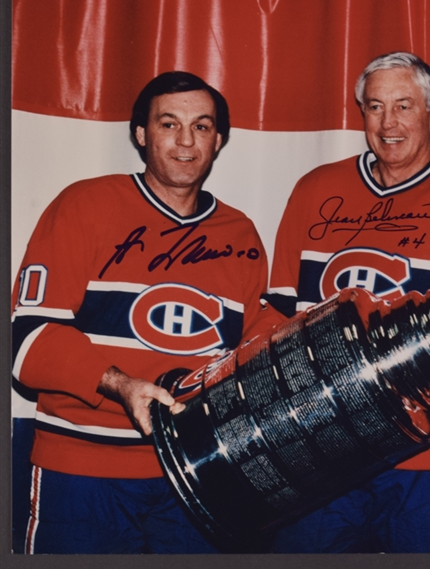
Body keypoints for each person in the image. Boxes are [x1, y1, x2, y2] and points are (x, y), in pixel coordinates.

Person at [265, 51, 430, 553]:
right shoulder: (315, 190)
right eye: (375, 107)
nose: (389, 123)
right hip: (325, 447)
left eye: (404, 106)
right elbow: (274, 316)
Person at [11, 71, 277, 553]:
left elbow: (250, 352)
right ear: (140, 134)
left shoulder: (241, 234)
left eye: (201, 126)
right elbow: (28, 342)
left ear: (218, 140)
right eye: (168, 124)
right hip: (85, 475)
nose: (185, 141)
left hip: (198, 478)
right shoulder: (84, 205)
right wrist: (122, 385)